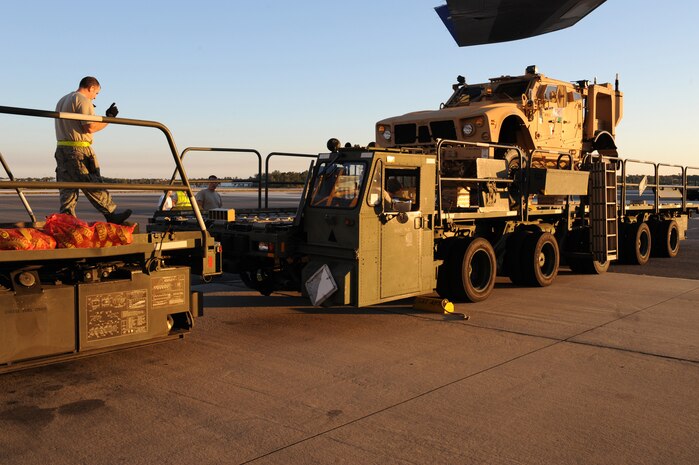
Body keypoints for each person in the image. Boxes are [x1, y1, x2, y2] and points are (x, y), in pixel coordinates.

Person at [54, 76, 131, 224]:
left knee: (67, 189)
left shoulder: (62, 100)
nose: (95, 97)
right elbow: (89, 126)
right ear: (92, 88)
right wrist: (109, 119)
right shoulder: (83, 100)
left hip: (62, 148)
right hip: (78, 149)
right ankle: (111, 214)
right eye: (96, 94)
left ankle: (67, 221)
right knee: (92, 183)